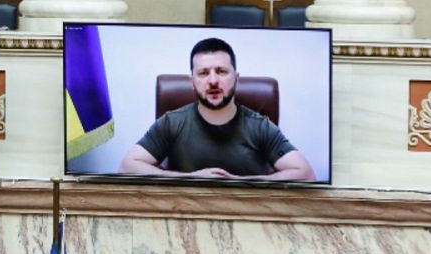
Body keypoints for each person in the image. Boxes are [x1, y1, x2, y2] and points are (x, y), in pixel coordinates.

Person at [119, 37, 315, 181]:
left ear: (236, 78)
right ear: (192, 82)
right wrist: (190, 178)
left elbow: (306, 175)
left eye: (221, 72)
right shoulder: (172, 122)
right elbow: (127, 167)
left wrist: (239, 183)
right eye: (203, 73)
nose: (213, 81)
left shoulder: (260, 126)